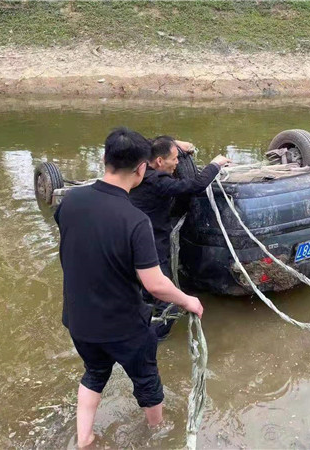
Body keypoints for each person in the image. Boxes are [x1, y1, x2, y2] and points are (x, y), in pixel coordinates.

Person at [54, 127, 204, 448]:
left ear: (104, 159)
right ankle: (157, 434)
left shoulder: (70, 201)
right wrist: (188, 301)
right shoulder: (135, 220)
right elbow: (155, 284)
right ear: (141, 169)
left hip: (79, 321)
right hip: (123, 325)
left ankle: (85, 439)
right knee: (148, 382)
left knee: (94, 374)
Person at [130, 135, 230, 339]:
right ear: (159, 161)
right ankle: (150, 341)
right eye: (174, 159)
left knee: (144, 294)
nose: (178, 163)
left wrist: (176, 144)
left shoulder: (137, 167)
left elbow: (148, 140)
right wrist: (215, 164)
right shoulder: (158, 182)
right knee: (170, 306)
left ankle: (137, 324)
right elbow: (195, 186)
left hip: (130, 242)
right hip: (151, 248)